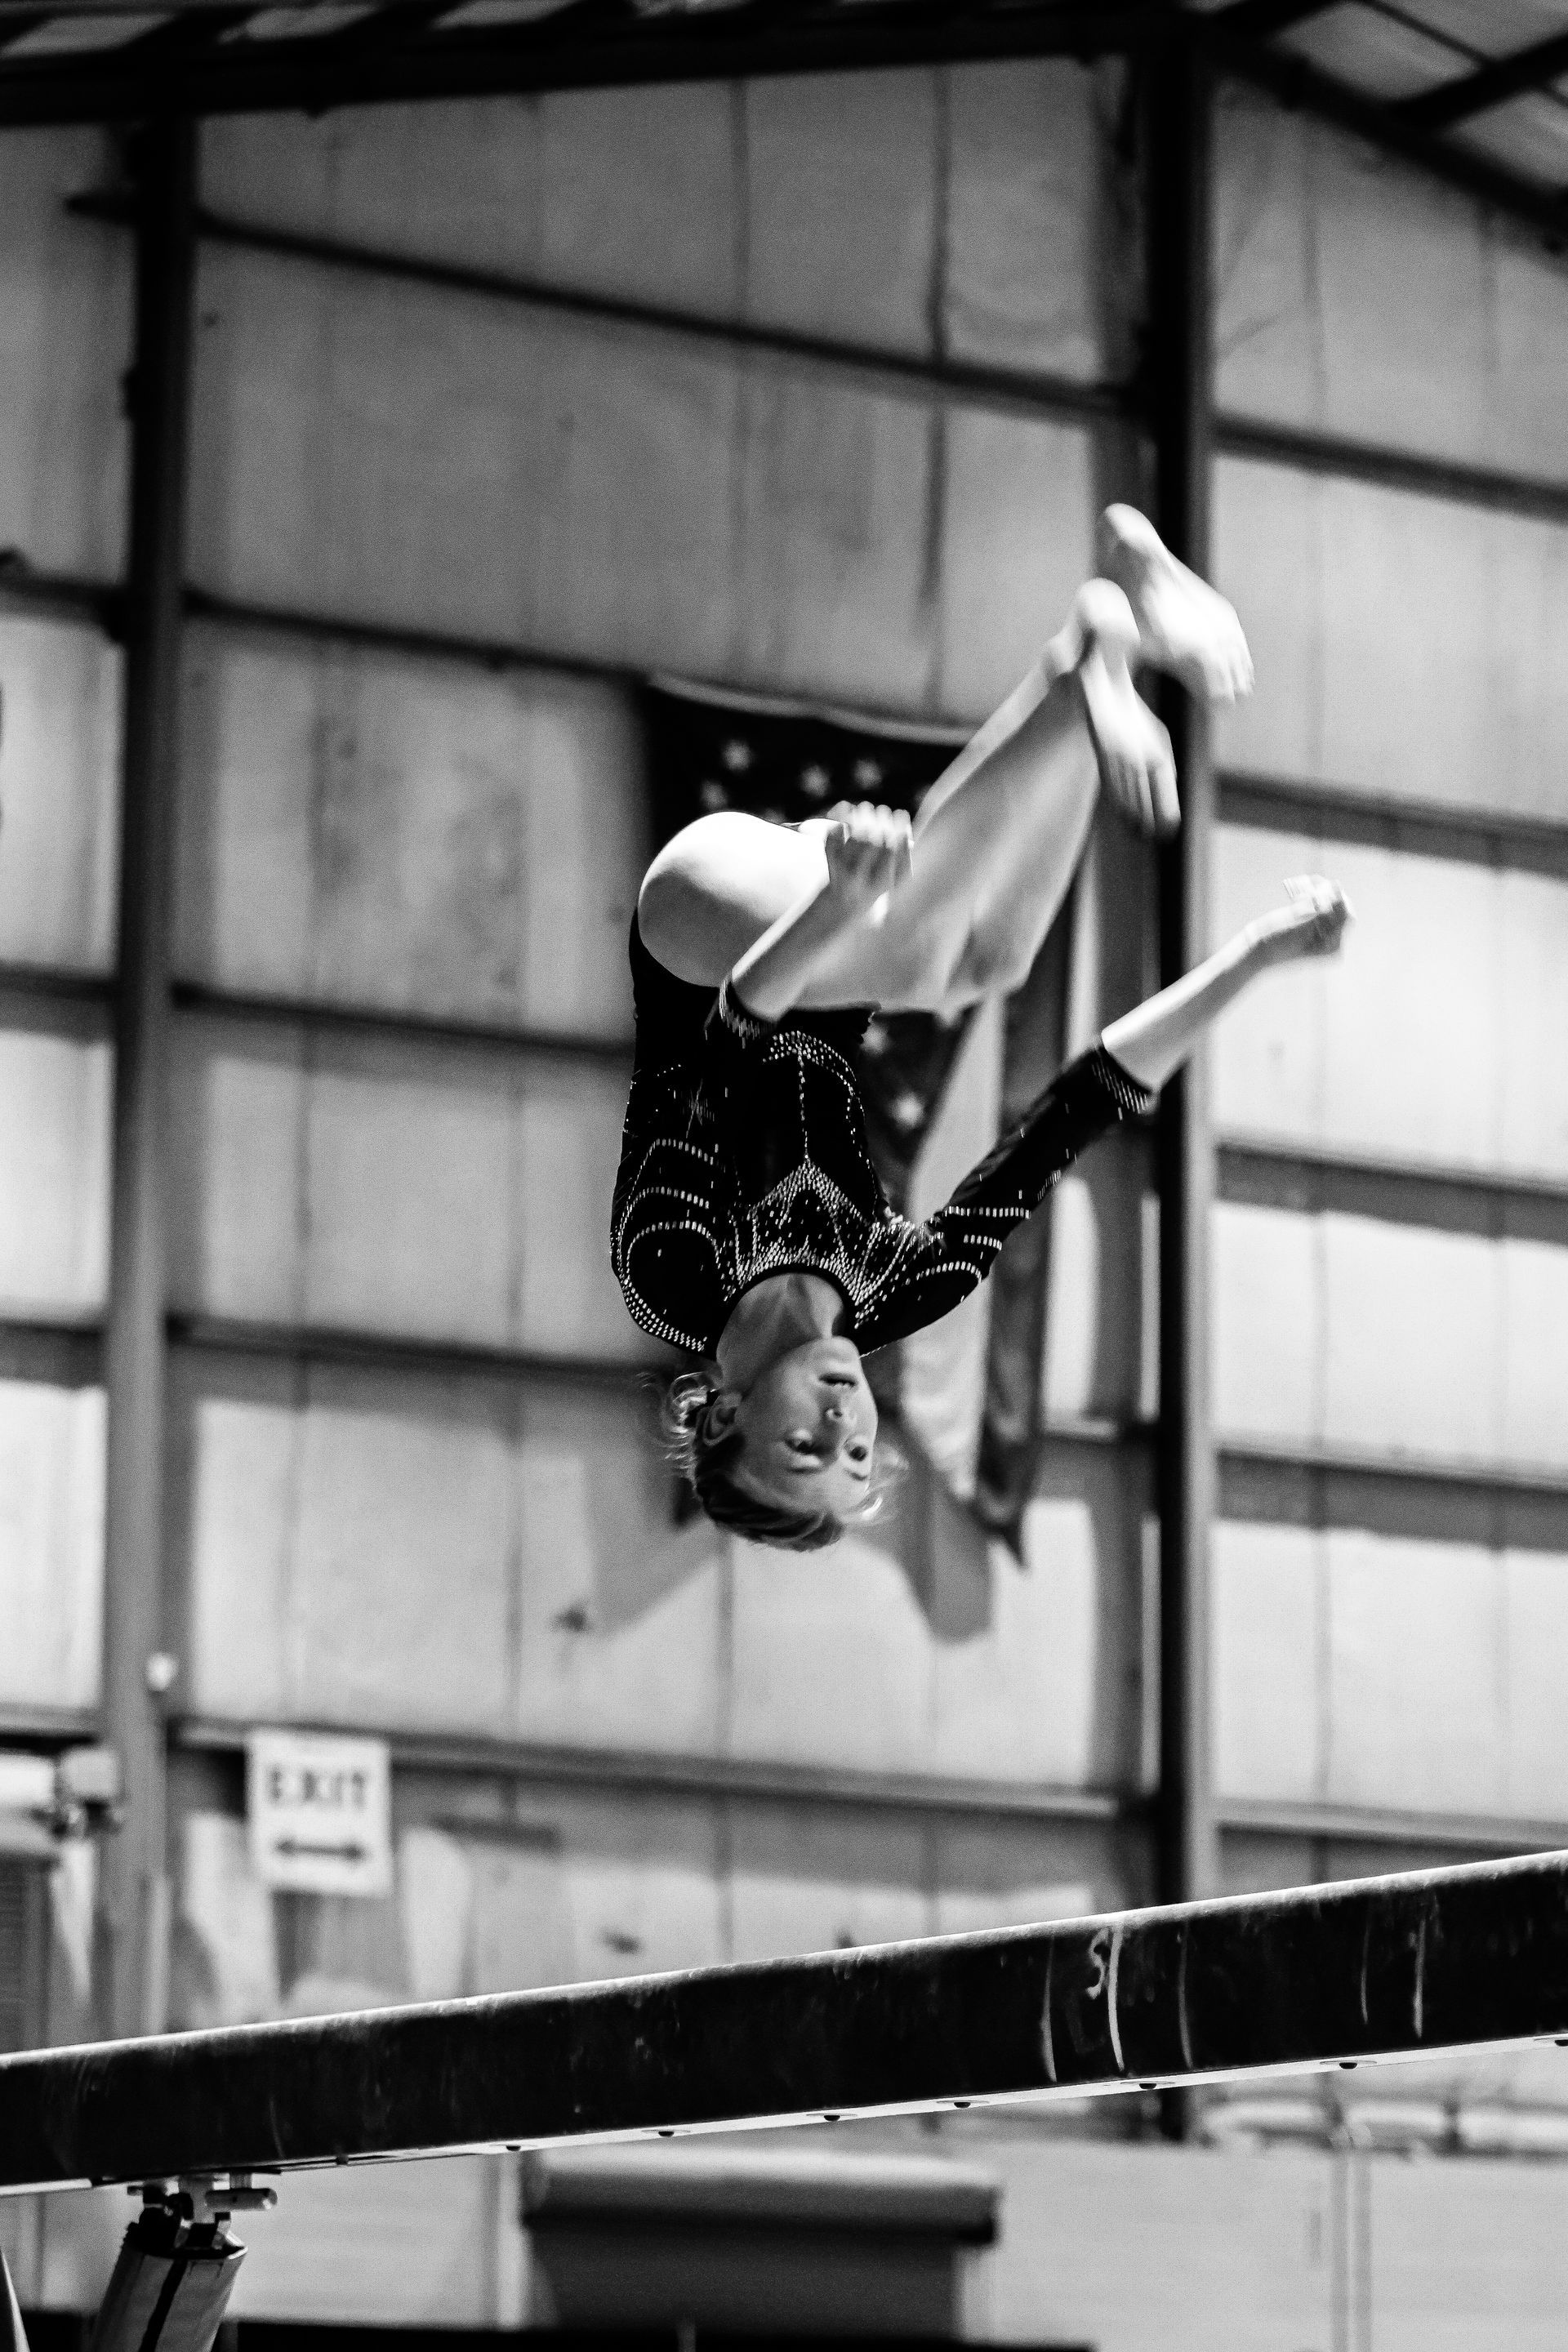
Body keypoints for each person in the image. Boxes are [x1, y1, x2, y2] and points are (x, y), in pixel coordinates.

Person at [611, 506, 1350, 1548]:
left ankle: (1096, 661)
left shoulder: (670, 1275)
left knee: (929, 964)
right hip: (835, 930)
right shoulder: (900, 1289)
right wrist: (1256, 957)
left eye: (803, 1450)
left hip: (699, 913)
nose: (842, 1424)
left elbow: (726, 1043)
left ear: (723, 1415)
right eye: (858, 1453)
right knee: (994, 962)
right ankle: (1097, 644)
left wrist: (826, 918)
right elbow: (1077, 1108)